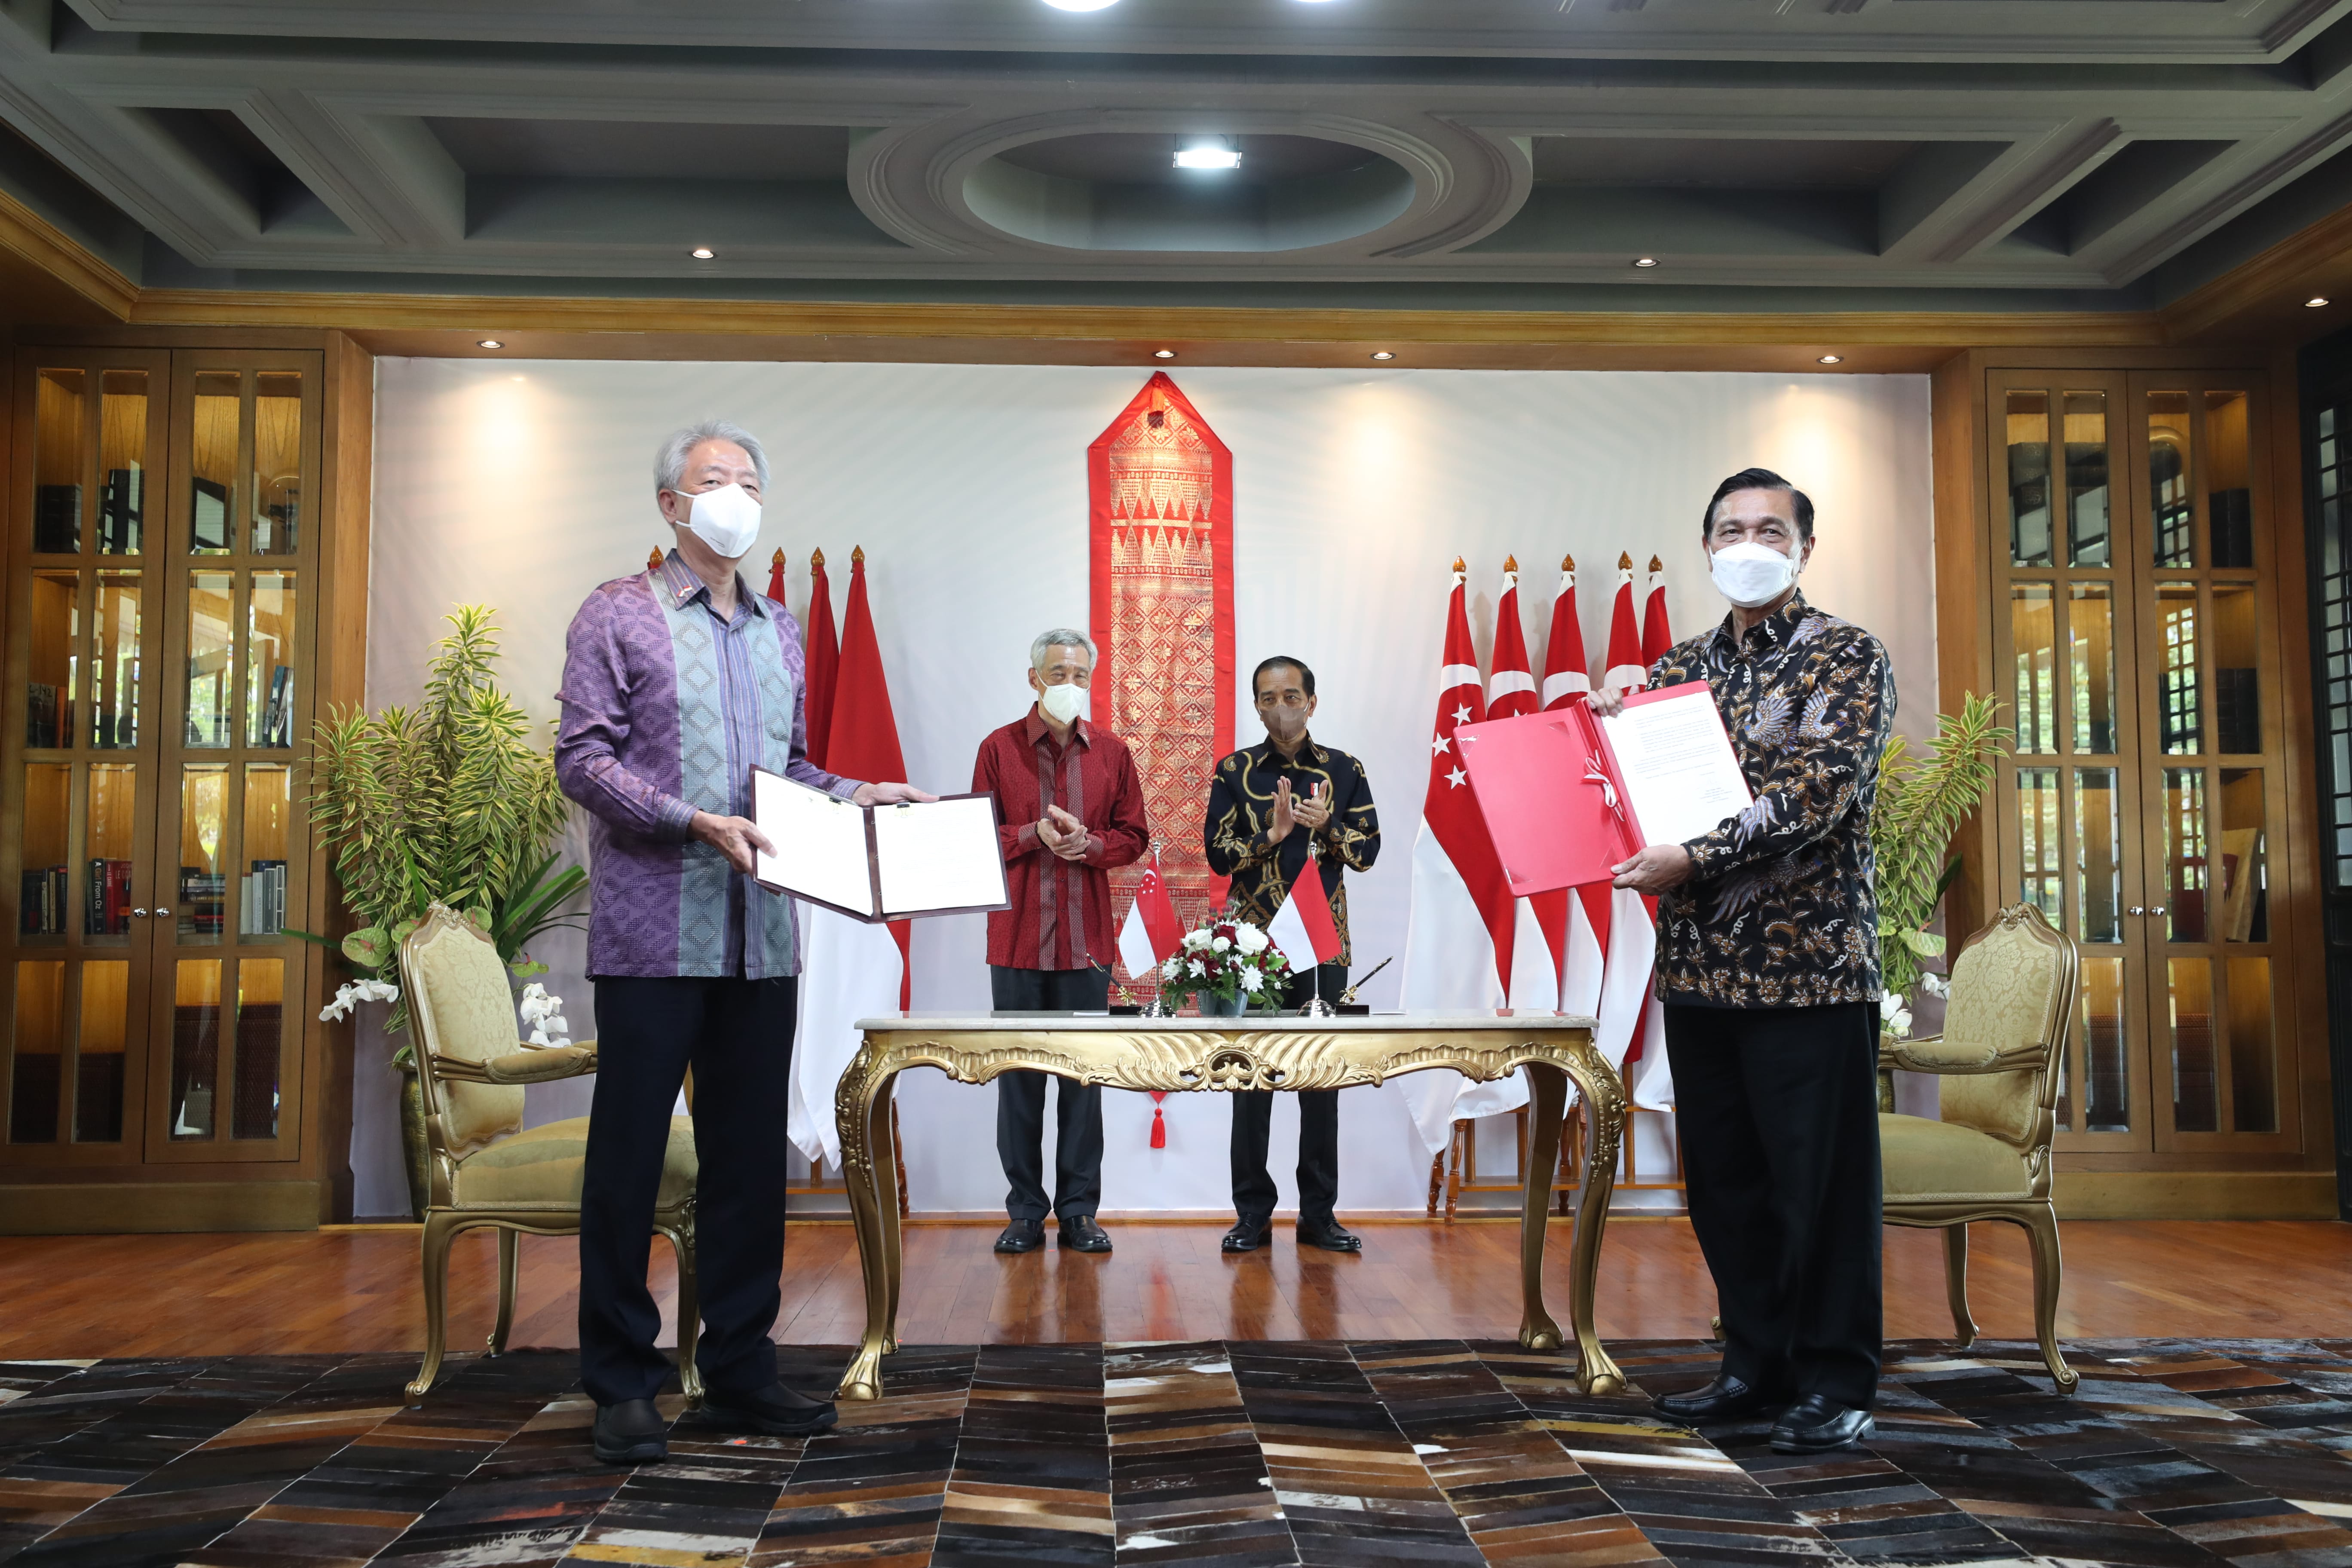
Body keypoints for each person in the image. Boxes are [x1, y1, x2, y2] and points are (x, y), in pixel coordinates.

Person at [556, 418, 931, 1465]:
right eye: (715, 479)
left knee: (745, 1166)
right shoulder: (616, 614)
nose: (736, 495)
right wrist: (692, 821)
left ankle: (740, 1372)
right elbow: (580, 759)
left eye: (750, 481)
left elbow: (793, 771)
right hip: (650, 939)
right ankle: (621, 1380)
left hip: (762, 939)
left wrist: (862, 794)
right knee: (628, 1162)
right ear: (673, 505)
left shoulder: (780, 631)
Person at [1592, 466, 1896, 1455]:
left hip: (1809, 968)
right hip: (1700, 968)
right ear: (1709, 547)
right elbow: (1638, 797)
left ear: (1806, 548)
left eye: (1771, 527)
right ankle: (1752, 1365)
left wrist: (1696, 855)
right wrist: (1606, 735)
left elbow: (1821, 791)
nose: (1750, 543)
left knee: (1820, 1184)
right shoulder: (1675, 673)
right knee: (1725, 1183)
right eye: (1731, 529)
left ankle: (1837, 1378)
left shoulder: (1847, 655)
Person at [970, 629, 1150, 1256]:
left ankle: (1078, 1212)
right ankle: (1024, 1213)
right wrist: (1032, 836)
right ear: (1033, 678)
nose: (1068, 683)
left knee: (1082, 1082)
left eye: (1078, 673)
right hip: (1016, 941)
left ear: (1090, 679)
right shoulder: (998, 748)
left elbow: (1135, 836)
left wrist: (1090, 845)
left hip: (1086, 943)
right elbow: (975, 836)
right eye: (1056, 673)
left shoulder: (1112, 752)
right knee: (1018, 1080)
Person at [1203, 656, 1381, 1256]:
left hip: (1323, 942)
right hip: (1252, 948)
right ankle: (1251, 1214)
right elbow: (1219, 856)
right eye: (1269, 696)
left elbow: (1367, 852)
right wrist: (1273, 836)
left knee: (1319, 1080)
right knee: (1249, 1081)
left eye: (1292, 694)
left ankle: (1319, 1215)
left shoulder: (1344, 769)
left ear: (1312, 700)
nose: (1282, 705)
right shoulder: (1236, 769)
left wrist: (1326, 826)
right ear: (1256, 705)